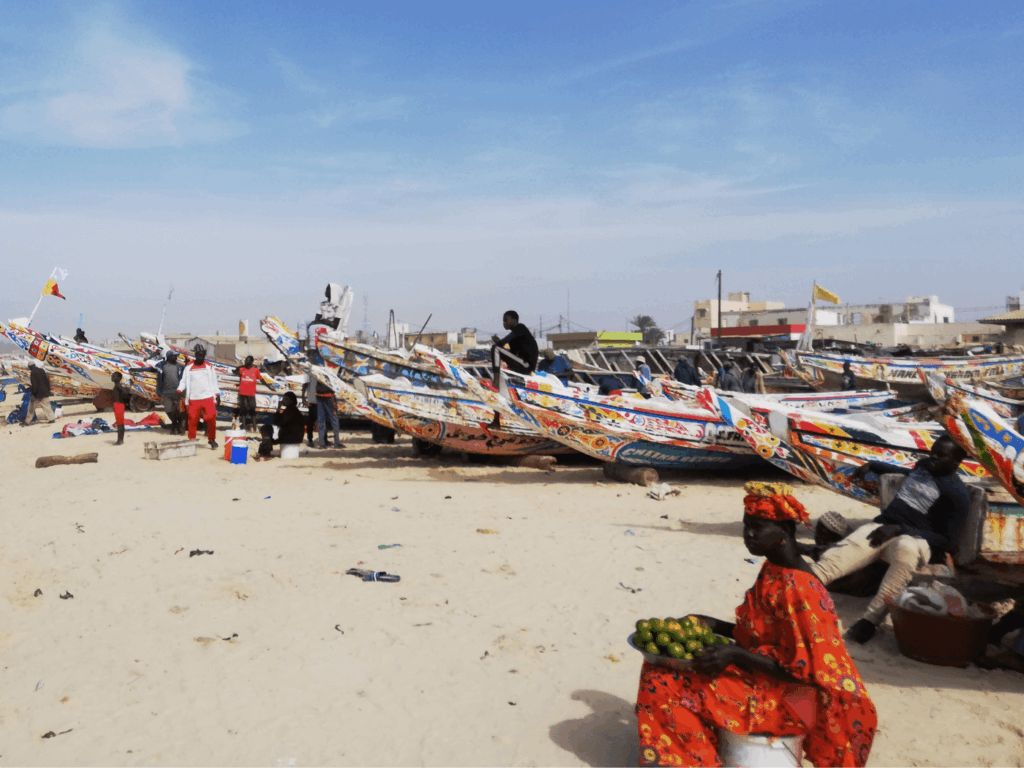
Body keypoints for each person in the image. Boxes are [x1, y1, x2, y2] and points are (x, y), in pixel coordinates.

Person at [635, 482, 876, 767]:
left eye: (758, 527)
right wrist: (713, 624)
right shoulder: (774, 569)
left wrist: (734, 654)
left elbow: (806, 671)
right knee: (658, 667)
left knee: (661, 682)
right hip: (767, 681)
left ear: (785, 532)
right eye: (747, 524)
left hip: (789, 702)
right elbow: (763, 634)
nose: (748, 534)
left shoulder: (801, 589)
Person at [812, 436, 970, 644]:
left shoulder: (957, 495)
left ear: (957, 462)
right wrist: (874, 465)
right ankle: (804, 587)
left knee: (905, 550)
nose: (933, 457)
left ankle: (869, 621)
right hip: (884, 527)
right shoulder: (923, 466)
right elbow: (909, 474)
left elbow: (949, 542)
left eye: (941, 455)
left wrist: (900, 529)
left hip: (914, 539)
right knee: (846, 551)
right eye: (932, 451)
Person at [178, 345, 221, 449]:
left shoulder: (209, 367)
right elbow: (183, 380)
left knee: (211, 418)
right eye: (199, 355)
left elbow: (214, 382)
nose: (201, 357)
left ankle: (212, 439)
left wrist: (217, 394)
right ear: (196, 355)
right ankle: (192, 440)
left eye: (203, 355)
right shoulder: (188, 367)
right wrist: (179, 389)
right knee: (192, 420)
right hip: (194, 398)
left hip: (208, 397)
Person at [490, 310, 538, 376]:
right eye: (503, 321)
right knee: (498, 349)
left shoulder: (520, 328)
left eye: (506, 320)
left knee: (495, 348)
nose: (504, 323)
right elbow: (513, 354)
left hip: (527, 366)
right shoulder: (514, 337)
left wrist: (498, 342)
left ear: (514, 320)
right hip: (523, 365)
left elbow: (502, 342)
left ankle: (496, 379)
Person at [156, 351, 184, 435]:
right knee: (168, 410)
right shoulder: (162, 366)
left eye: (176, 356)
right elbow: (159, 379)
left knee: (178, 411)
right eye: (174, 356)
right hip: (166, 392)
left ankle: (175, 427)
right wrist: (158, 390)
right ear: (168, 357)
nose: (175, 357)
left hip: (178, 393)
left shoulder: (180, 367)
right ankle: (175, 426)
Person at [21, 361, 56, 426]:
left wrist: (32, 391)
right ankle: (52, 419)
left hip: (37, 394)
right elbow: (46, 381)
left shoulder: (33, 372)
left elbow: (35, 384)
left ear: (30, 367)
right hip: (45, 392)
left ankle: (27, 422)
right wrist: (48, 390)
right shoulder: (42, 370)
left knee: (31, 408)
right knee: (47, 406)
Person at [235, 355, 261, 433]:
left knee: (252, 410)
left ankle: (255, 427)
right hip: (242, 393)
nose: (246, 362)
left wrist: (269, 387)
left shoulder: (256, 370)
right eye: (245, 360)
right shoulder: (241, 369)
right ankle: (243, 426)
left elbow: (261, 379)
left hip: (251, 394)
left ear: (251, 362)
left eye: (248, 360)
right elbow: (237, 373)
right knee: (243, 410)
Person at [316, 377, 341, 449]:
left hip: (319, 395)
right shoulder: (330, 368)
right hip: (329, 396)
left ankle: (322, 443)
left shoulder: (316, 369)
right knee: (334, 419)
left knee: (321, 420)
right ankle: (337, 442)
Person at [109, 371, 132, 446]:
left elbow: (125, 392)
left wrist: (128, 388)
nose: (112, 377)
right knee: (120, 423)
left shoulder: (118, 385)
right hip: (118, 405)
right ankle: (120, 440)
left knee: (120, 423)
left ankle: (120, 440)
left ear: (118, 378)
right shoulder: (118, 385)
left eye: (114, 376)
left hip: (118, 405)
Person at [303, 372, 319, 447]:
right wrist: (303, 397)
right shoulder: (308, 372)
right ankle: (310, 439)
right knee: (311, 421)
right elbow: (304, 384)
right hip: (312, 400)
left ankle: (324, 440)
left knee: (322, 421)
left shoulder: (321, 369)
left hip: (321, 399)